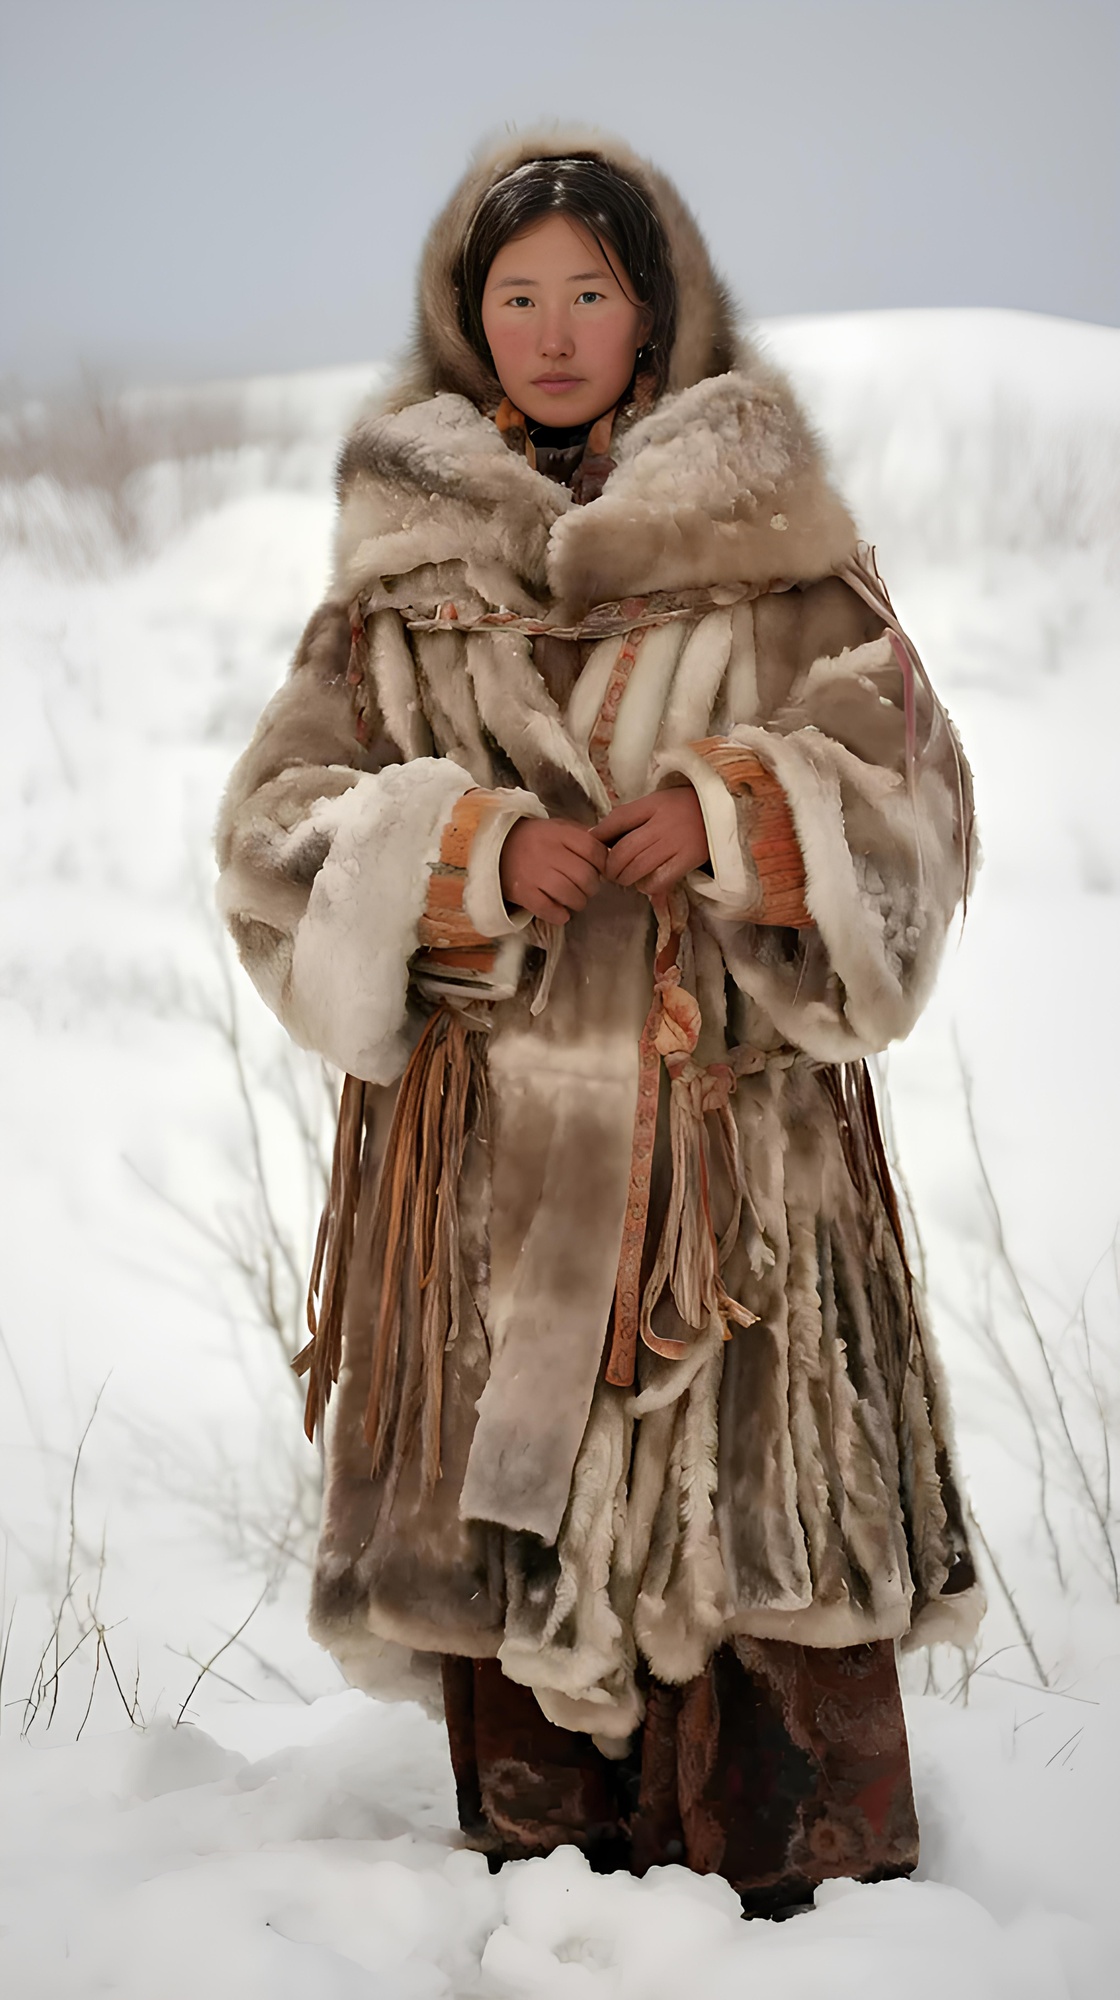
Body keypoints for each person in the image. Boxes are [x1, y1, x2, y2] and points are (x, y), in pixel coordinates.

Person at [216, 130, 982, 1916]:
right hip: (491, 1166)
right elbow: (269, 843)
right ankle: (558, 1901)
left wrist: (744, 813)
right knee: (525, 1607)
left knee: (764, 1550)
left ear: (657, 309)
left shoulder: (782, 550)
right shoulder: (395, 576)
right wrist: (462, 850)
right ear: (465, 322)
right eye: (516, 298)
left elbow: (921, 799)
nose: (553, 330)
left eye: (590, 292)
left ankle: (797, 1899)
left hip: (737, 1158)